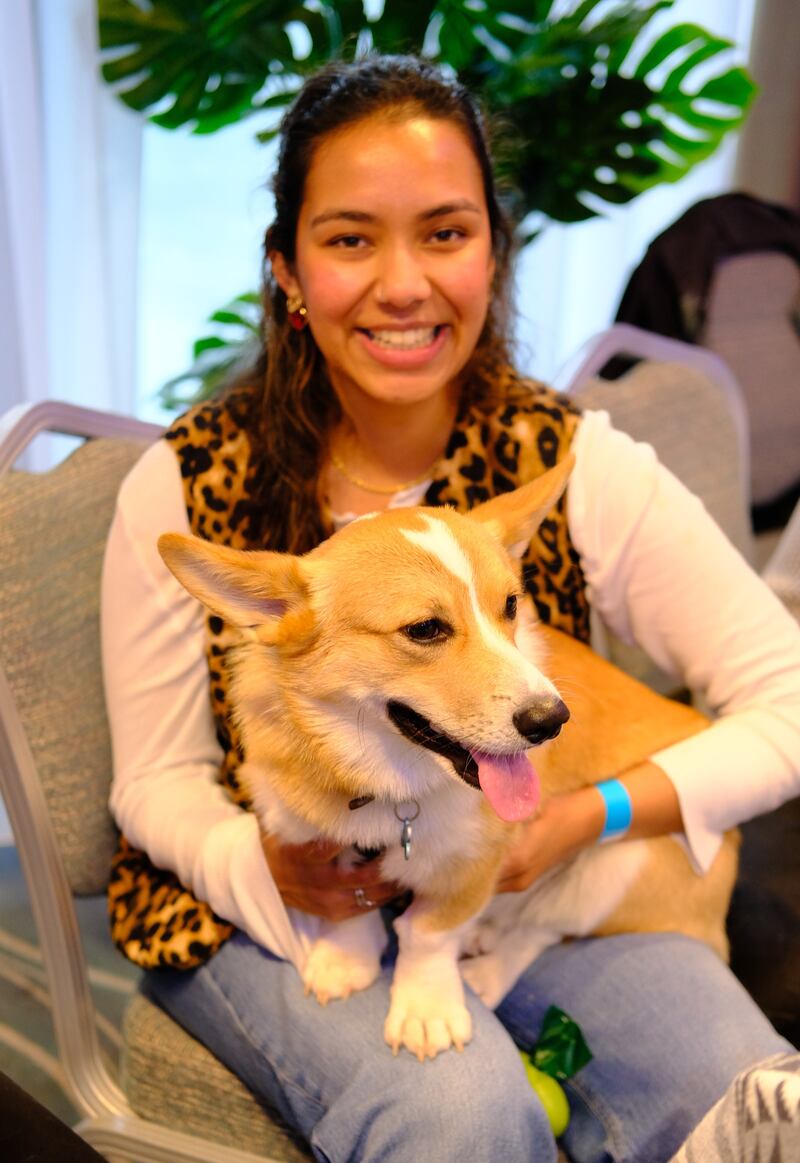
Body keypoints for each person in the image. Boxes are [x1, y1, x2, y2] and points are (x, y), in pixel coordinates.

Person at [101, 55, 800, 1163]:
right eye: (347, 238)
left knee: (752, 1097)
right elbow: (151, 781)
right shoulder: (186, 483)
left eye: (442, 231)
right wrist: (268, 867)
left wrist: (581, 819)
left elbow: (788, 701)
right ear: (285, 267)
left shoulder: (570, 462)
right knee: (460, 1115)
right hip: (272, 898)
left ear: (492, 251)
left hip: (530, 877)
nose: (402, 283)